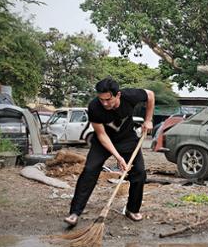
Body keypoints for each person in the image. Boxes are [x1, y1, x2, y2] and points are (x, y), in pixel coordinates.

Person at [64, 77, 154, 226]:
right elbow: (101, 134)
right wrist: (118, 157)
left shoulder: (130, 96)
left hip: (127, 139)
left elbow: (150, 95)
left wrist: (148, 120)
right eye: (101, 99)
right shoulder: (94, 107)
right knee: (90, 170)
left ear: (118, 95)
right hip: (103, 142)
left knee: (139, 172)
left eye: (108, 99)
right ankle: (75, 212)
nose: (104, 103)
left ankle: (132, 209)